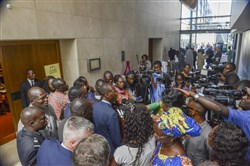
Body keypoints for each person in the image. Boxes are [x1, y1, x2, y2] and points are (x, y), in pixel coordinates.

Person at [176, 87, 250, 161]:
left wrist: (192, 94)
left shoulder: (246, 118)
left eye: (248, 96)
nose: (243, 97)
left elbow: (220, 109)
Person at [150, 91, 201, 165]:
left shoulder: (181, 162)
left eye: (158, 134)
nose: (155, 135)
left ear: (172, 138)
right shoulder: (163, 143)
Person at [92, 83, 121, 154]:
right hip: (110, 150)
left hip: (97, 147)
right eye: (113, 91)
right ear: (106, 95)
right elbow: (116, 140)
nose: (116, 93)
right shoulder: (111, 114)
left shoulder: (94, 107)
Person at [185, 100, 212, 165]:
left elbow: (211, 158)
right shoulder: (189, 125)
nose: (186, 109)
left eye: (188, 107)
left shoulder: (208, 134)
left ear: (193, 111)